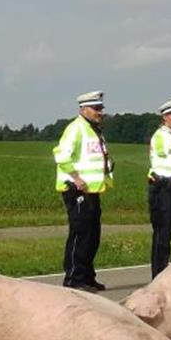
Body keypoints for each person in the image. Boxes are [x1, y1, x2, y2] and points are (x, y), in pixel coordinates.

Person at [53, 90, 114, 292]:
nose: (100, 112)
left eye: (100, 108)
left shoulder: (93, 129)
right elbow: (61, 155)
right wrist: (76, 178)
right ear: (83, 109)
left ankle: (87, 276)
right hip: (77, 189)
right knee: (80, 234)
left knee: (92, 235)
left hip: (92, 190)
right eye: (96, 108)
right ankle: (73, 278)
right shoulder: (76, 128)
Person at [147, 98, 171, 279]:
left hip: (170, 188)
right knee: (162, 232)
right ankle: (159, 272)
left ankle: (161, 269)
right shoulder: (162, 136)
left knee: (167, 231)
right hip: (162, 186)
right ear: (165, 116)